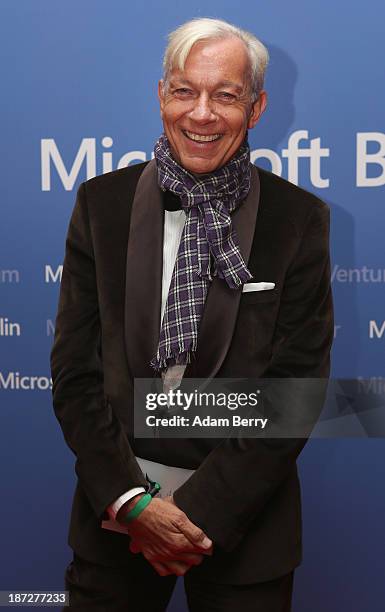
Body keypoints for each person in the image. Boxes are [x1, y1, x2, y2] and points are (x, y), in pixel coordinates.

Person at [51, 17, 334, 612]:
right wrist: (134, 503)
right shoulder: (100, 205)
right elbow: (76, 375)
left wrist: (192, 518)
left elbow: (294, 393)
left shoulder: (298, 219)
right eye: (185, 90)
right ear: (162, 96)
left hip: (246, 530)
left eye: (225, 95)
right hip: (116, 525)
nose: (201, 114)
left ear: (256, 108)